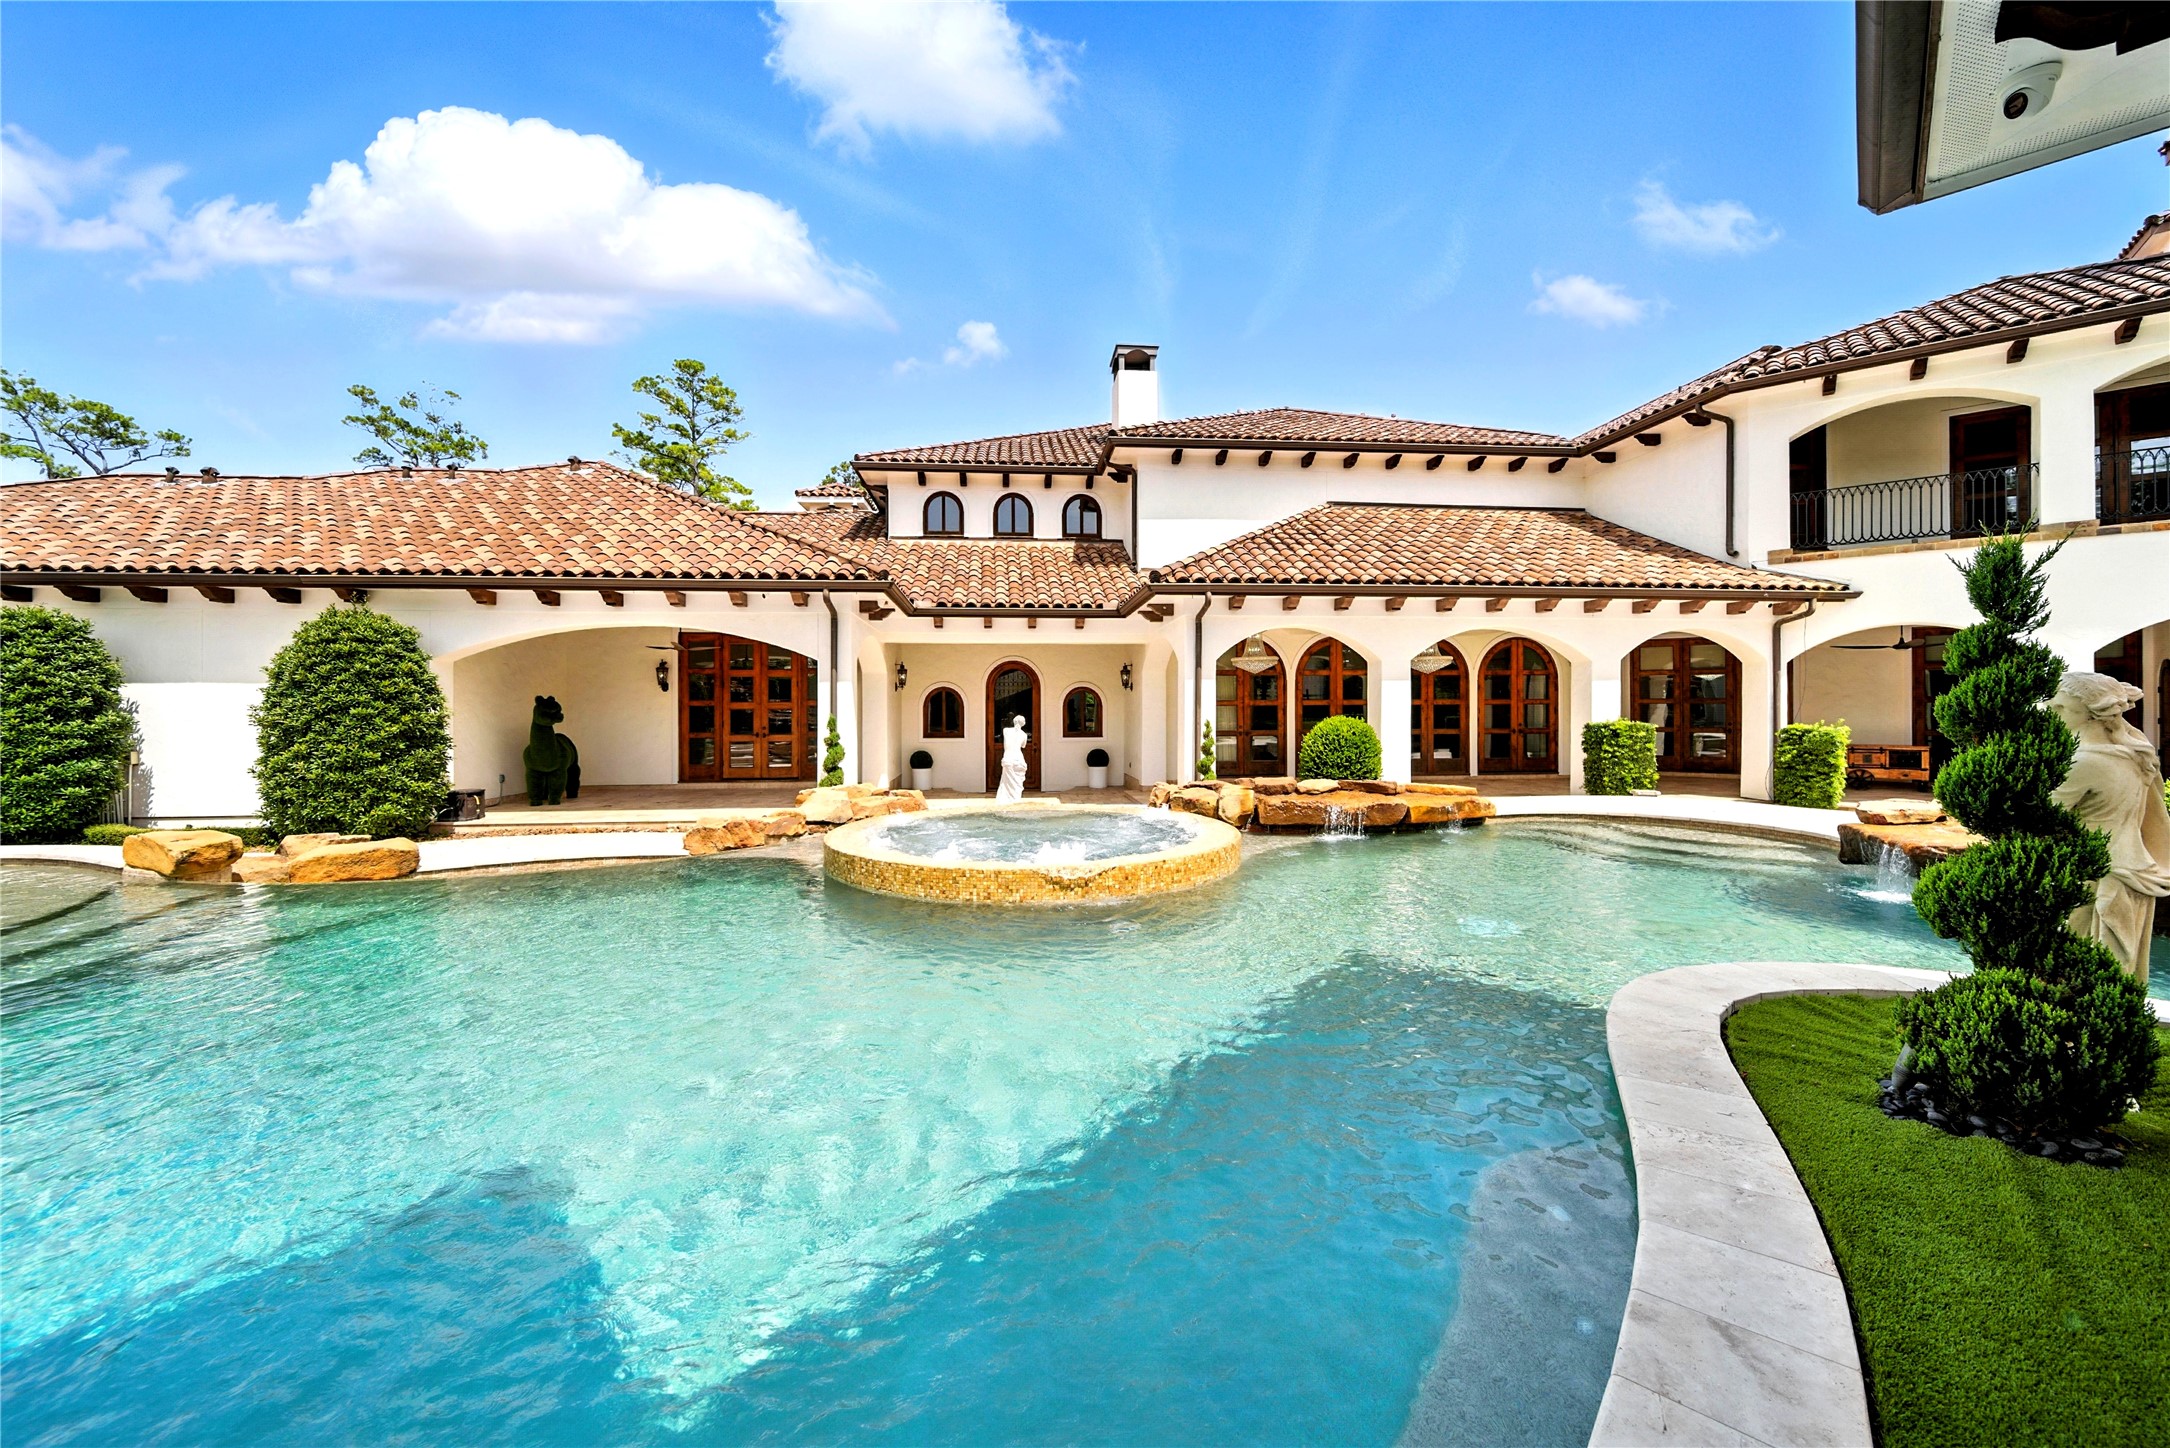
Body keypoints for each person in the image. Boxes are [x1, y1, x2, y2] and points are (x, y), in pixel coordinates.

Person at [2049, 672, 2170, 986]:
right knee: (2120, 981)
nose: (2052, 711)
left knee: (2080, 979)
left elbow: (2040, 819)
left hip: (2096, 878)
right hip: (2133, 868)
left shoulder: (2082, 762)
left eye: (2061, 708)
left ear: (2091, 714)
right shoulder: (2133, 752)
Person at [995, 714, 1029, 804]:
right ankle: (1015, 798)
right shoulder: (1024, 735)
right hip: (1018, 758)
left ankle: (1006, 799)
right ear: (1023, 724)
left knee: (1006, 781)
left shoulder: (1006, 730)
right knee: (1017, 782)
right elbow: (1023, 745)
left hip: (1009, 758)